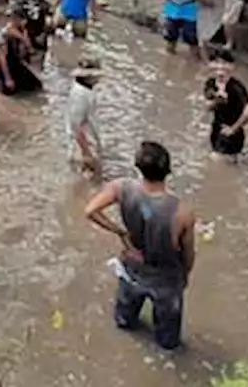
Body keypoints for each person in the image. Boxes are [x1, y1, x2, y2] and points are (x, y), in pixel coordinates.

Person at [84, 141, 196, 352]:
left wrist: (119, 231)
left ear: (138, 167)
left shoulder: (121, 187)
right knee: (168, 341)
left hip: (132, 266)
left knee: (125, 321)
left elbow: (90, 210)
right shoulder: (182, 212)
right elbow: (188, 253)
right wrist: (185, 275)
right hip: (165, 278)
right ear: (168, 170)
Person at [203, 50, 248, 157]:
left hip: (231, 132)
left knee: (218, 160)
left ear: (232, 66)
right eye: (216, 62)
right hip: (216, 129)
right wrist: (217, 101)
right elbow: (207, 107)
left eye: (224, 63)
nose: (220, 66)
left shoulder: (236, 87)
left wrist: (233, 129)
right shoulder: (210, 83)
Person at [67, 58, 103, 174]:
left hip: (87, 143)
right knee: (88, 181)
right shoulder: (80, 95)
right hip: (83, 147)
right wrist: (86, 153)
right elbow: (76, 127)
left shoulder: (85, 90)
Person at [2, 9, 43, 95]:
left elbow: (29, 49)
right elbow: (2, 59)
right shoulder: (8, 32)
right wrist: (8, 78)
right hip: (8, 64)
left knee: (35, 86)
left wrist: (24, 31)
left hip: (17, 61)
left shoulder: (21, 29)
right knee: (10, 91)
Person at [13, 0, 52, 65]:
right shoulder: (45, 4)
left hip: (26, 32)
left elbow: (14, 14)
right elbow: (50, 20)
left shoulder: (22, 3)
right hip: (40, 31)